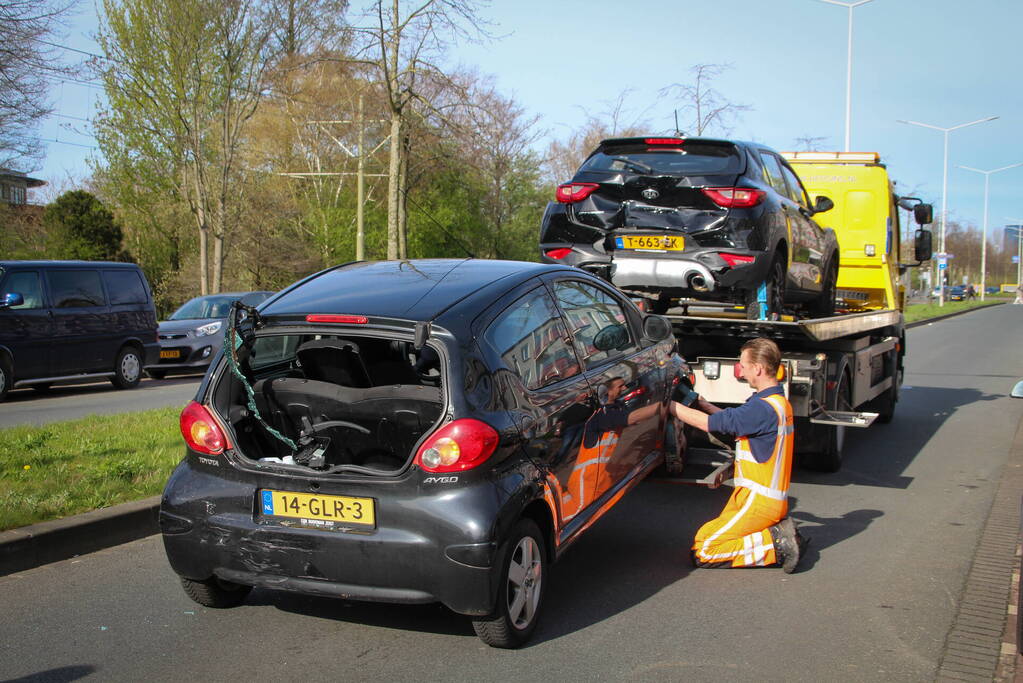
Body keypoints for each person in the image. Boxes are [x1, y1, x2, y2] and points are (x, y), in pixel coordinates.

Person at [670, 337, 806, 572]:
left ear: (758, 368)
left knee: (706, 550)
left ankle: (776, 545)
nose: (739, 369)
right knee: (706, 535)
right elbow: (734, 422)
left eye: (743, 365)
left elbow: (709, 424)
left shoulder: (761, 409)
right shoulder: (775, 402)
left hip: (758, 503)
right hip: (757, 499)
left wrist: (666, 407)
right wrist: (701, 402)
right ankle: (775, 534)